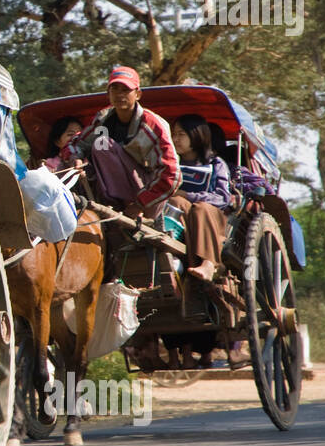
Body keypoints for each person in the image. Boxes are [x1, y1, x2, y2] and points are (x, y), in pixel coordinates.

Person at [67, 65, 180, 219]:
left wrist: (140, 203)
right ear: (108, 94)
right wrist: (76, 159)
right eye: (115, 89)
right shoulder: (103, 119)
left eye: (126, 90)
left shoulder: (152, 125)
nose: (120, 95)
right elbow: (76, 144)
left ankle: (124, 205)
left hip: (148, 197)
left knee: (103, 145)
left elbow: (172, 175)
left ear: (138, 94)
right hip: (114, 193)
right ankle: (109, 204)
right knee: (99, 146)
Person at [168, 114, 235, 283]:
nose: (175, 139)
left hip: (214, 219)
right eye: (173, 134)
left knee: (201, 208)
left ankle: (209, 263)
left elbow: (222, 197)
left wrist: (189, 195)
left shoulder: (216, 164)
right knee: (176, 202)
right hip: (183, 218)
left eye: (181, 134)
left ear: (196, 135)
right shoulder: (171, 164)